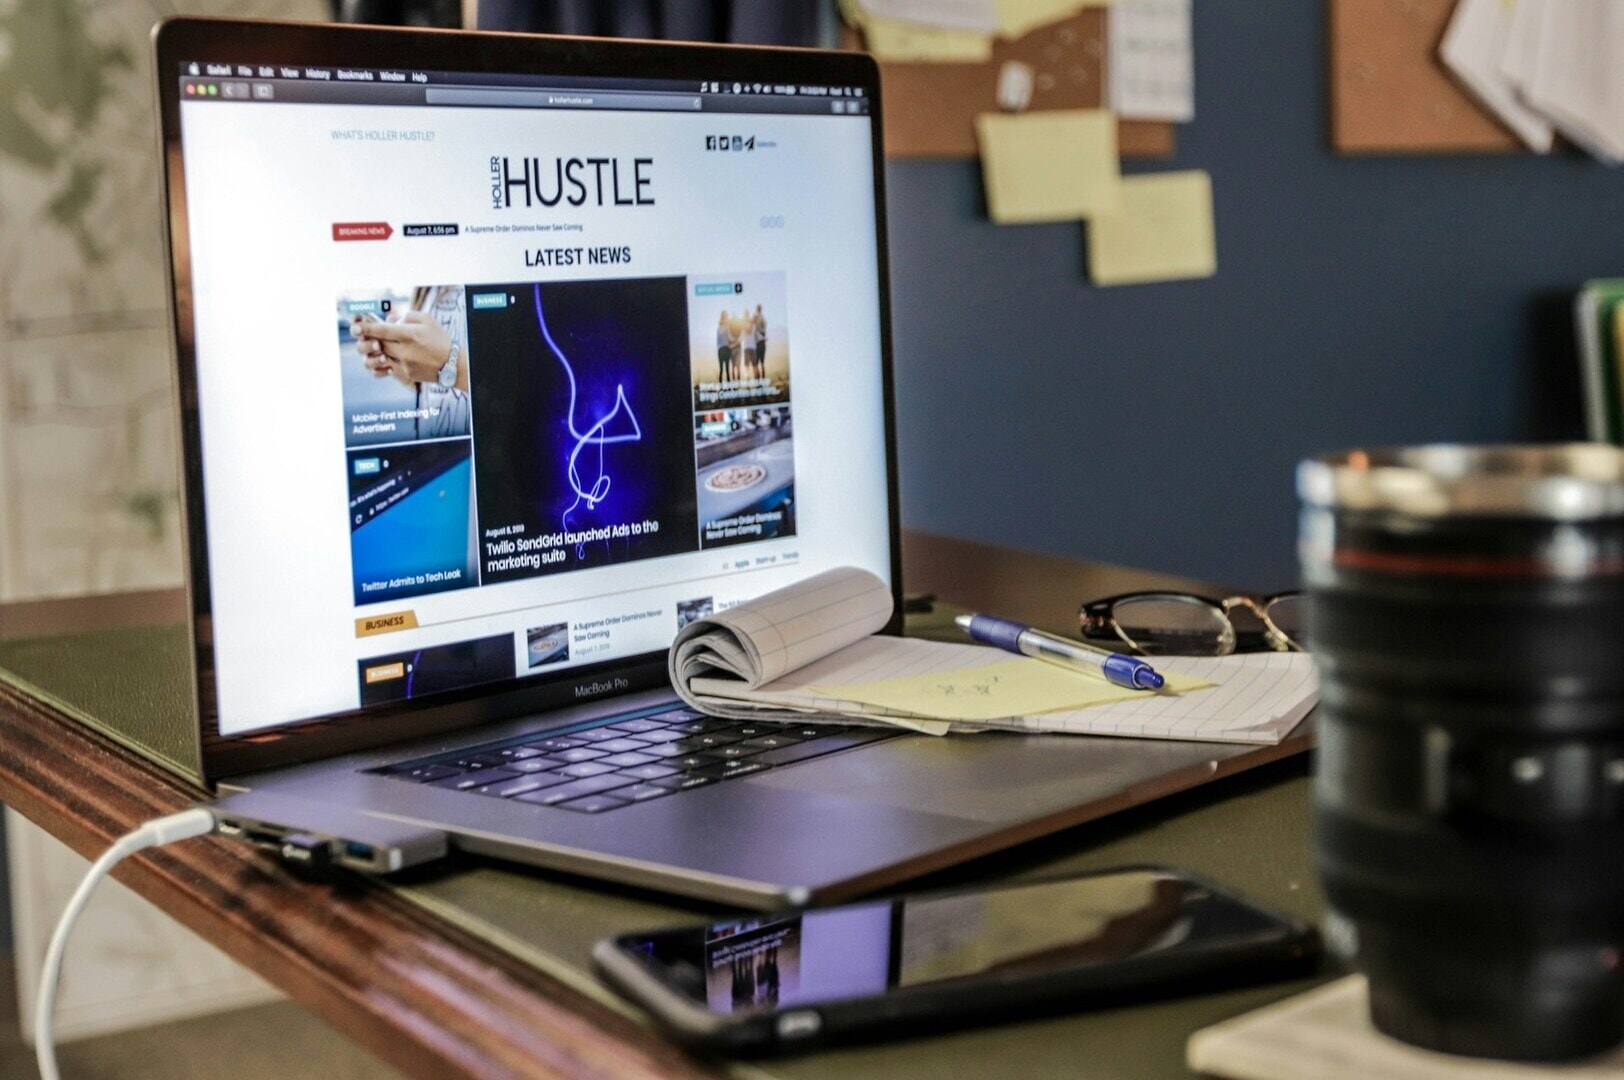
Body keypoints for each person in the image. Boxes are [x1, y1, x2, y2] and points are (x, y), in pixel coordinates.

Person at [353, 285, 470, 439]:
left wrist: (452, 367)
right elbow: (430, 385)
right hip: (435, 449)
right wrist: (398, 359)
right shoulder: (427, 288)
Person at [738, 309, 756, 383]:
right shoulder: (753, 325)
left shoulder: (743, 327)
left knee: (747, 365)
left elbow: (740, 339)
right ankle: (757, 381)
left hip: (746, 348)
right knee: (755, 365)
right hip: (753, 347)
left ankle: (748, 380)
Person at [752, 304, 767, 381]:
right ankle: (761, 379)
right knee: (761, 362)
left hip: (759, 343)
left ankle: (758, 379)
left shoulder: (758, 318)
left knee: (757, 362)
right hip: (761, 343)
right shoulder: (762, 318)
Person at [715, 310, 732, 382]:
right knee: (727, 369)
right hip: (726, 349)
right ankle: (729, 388)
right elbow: (730, 338)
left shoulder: (718, 329)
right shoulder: (727, 327)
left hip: (720, 350)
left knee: (721, 370)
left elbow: (717, 342)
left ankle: (720, 387)